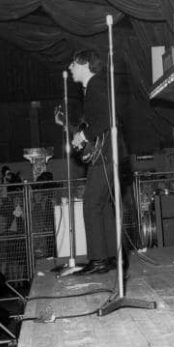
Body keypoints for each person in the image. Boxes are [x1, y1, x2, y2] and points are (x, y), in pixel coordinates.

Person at [65, 50, 118, 274]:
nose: (70, 68)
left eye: (73, 64)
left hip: (104, 156)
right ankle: (109, 257)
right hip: (109, 155)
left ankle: (97, 260)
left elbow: (108, 119)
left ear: (85, 64)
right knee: (102, 205)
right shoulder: (97, 86)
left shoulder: (96, 86)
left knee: (90, 205)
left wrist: (83, 136)